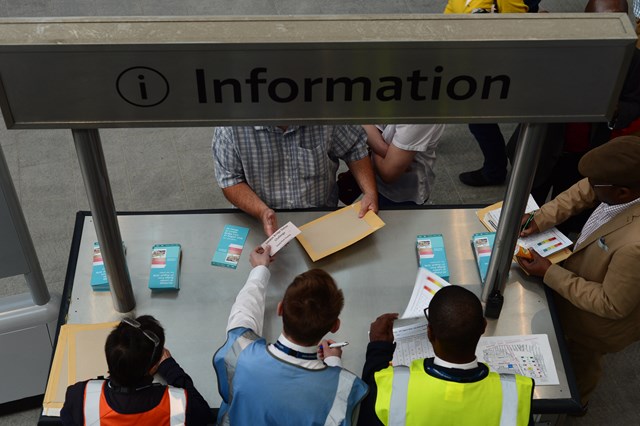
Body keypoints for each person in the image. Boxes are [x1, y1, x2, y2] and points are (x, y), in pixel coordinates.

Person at [517, 136, 640, 412]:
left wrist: (549, 272)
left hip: (594, 325)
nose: (589, 187)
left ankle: (575, 404)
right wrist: (541, 218)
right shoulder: (623, 180)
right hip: (582, 275)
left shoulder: (635, 245)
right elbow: (582, 191)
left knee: (580, 363)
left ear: (622, 193)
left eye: (596, 184)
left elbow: (611, 303)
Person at [213, 246, 368, 425]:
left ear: (280, 309)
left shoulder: (241, 354)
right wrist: (333, 364)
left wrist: (260, 269)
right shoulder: (344, 387)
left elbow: (243, 315)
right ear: (335, 326)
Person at [358, 285, 534, 426]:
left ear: (429, 333)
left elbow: (369, 395)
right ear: (483, 327)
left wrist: (378, 348)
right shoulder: (515, 395)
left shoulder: (391, 386)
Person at [212, 125, 378, 236]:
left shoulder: (323, 113)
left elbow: (354, 148)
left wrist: (369, 192)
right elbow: (230, 180)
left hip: (320, 222)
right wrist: (262, 211)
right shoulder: (231, 127)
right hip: (257, 222)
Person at [60, 315, 211, 425]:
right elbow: (205, 415)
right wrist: (170, 367)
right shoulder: (179, 403)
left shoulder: (79, 396)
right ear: (152, 368)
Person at [444, 0, 530, 187]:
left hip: (494, 65)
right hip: (473, 61)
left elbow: (519, 24)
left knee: (479, 119)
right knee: (478, 119)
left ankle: (495, 171)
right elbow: (448, 17)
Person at [363, 124, 445, 206]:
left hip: (403, 194)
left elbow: (388, 173)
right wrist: (382, 149)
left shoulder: (417, 118)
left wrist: (373, 145)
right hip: (378, 182)